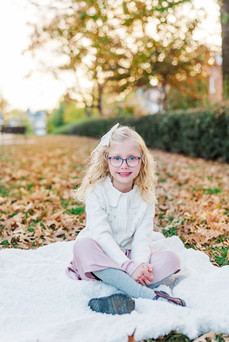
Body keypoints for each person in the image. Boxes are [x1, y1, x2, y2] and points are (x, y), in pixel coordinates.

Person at [66, 123, 186, 315]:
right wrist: (128, 267)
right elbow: (101, 235)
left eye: (132, 158)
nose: (124, 165)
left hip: (130, 256)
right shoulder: (96, 191)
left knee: (172, 259)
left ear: (142, 161)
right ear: (107, 161)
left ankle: (117, 286)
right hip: (100, 255)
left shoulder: (145, 196)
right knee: (82, 246)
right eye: (117, 159)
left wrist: (139, 265)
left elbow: (142, 239)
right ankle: (148, 295)